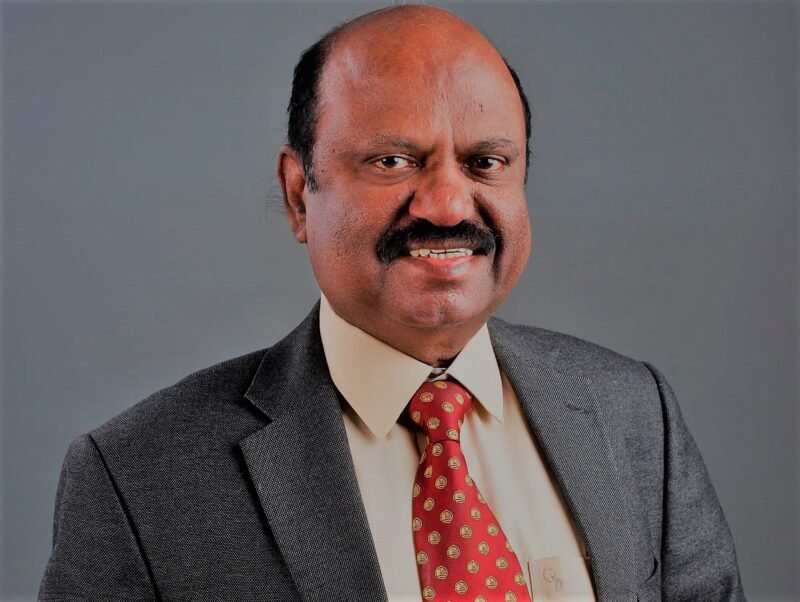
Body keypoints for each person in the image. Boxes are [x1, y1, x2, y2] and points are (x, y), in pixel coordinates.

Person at [39, 5, 745, 601]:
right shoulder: (139, 475)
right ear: (298, 195)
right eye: (392, 161)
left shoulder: (634, 413)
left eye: (485, 162)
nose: (447, 205)